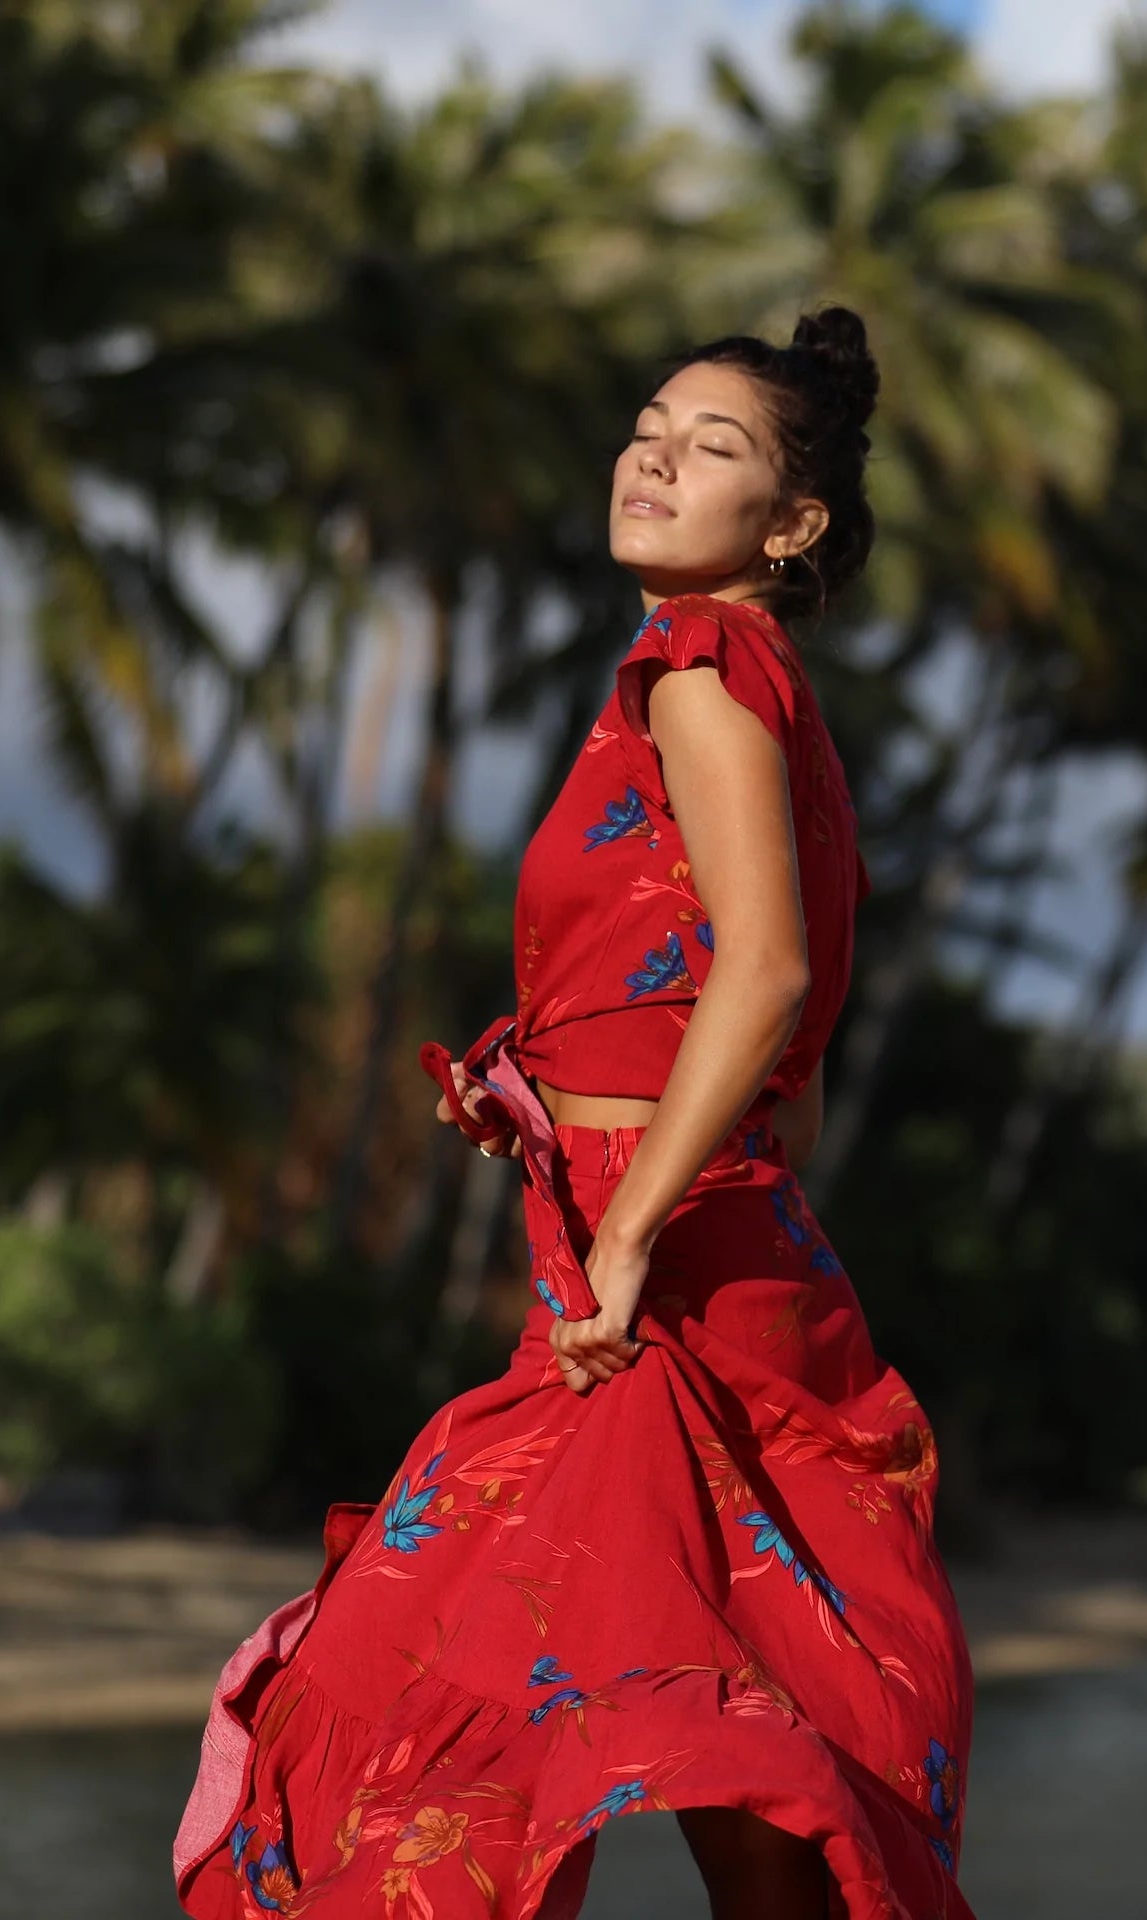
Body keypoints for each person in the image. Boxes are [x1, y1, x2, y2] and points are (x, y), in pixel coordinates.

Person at [172, 307, 976, 1920]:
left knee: (426, 1706)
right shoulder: (772, 695)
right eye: (647, 430)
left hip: (647, 1283)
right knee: (752, 1767)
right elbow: (792, 1091)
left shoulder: (698, 669)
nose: (656, 461)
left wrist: (625, 1223)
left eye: (713, 447)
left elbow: (765, 976)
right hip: (707, 1263)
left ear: (793, 525)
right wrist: (556, 1107)